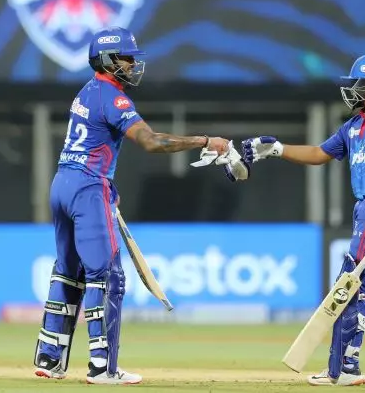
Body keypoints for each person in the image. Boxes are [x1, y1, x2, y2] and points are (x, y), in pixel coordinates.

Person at [33, 26, 231, 385]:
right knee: (107, 276)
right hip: (87, 188)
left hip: (63, 183)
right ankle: (103, 367)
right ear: (109, 60)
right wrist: (205, 140)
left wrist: (107, 186)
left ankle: (49, 357)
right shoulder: (114, 97)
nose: (133, 65)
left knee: (68, 270)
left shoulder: (87, 91)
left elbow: (90, 146)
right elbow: (152, 142)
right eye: (126, 58)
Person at [242, 54, 365, 386]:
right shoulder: (354, 125)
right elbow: (319, 153)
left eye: (357, 84)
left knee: (349, 283)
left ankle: (344, 368)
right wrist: (278, 149)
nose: (351, 90)